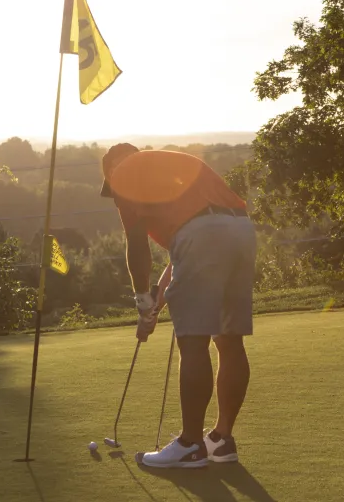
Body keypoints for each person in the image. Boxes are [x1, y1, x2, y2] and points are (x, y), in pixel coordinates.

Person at [99, 143, 257, 469]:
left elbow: (137, 245)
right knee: (229, 338)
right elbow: (185, 246)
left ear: (112, 167)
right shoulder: (173, 162)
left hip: (201, 234)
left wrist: (142, 300)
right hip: (240, 230)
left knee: (193, 341)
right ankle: (222, 440)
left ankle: (191, 444)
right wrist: (157, 299)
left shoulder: (123, 174)